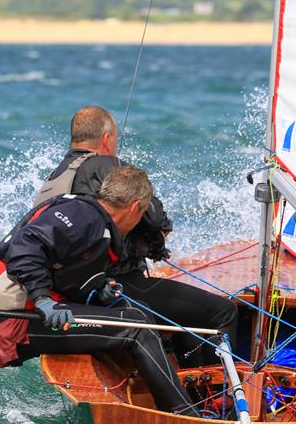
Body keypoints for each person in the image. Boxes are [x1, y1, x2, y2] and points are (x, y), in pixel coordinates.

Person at [0, 166, 195, 415]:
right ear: (135, 207)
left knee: (136, 314)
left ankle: (161, 393)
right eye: (143, 212)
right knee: (138, 329)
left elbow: (65, 269)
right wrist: (43, 299)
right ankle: (184, 415)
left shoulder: (93, 218)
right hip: (13, 320)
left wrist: (98, 288)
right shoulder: (83, 217)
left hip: (29, 312)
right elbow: (24, 246)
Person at [34, 105, 238, 368]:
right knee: (223, 312)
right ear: (107, 138)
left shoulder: (58, 175)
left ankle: (186, 370)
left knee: (184, 313)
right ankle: (219, 394)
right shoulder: (106, 165)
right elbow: (155, 218)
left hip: (71, 287)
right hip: (114, 285)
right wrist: (156, 241)